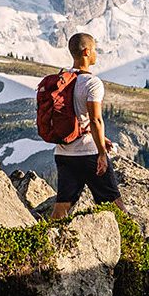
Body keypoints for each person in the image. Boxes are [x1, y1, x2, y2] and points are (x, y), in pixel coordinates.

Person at [50, 33, 125, 220]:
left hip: (63, 152)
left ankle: (46, 245)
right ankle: (129, 246)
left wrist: (101, 139)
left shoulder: (61, 80)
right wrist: (101, 153)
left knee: (62, 206)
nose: (96, 54)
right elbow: (95, 120)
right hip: (88, 153)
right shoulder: (92, 83)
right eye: (95, 49)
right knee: (115, 204)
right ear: (86, 51)